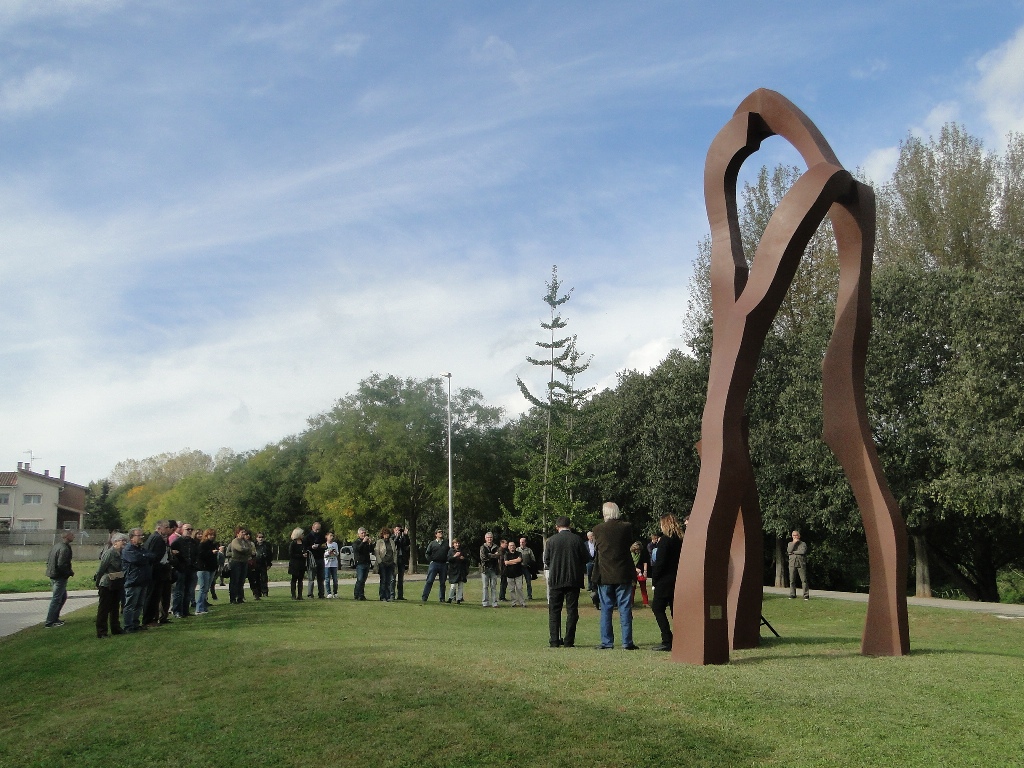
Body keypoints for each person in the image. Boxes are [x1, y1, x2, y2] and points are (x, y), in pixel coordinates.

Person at [592, 502, 638, 650]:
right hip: (623, 573)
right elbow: (628, 545)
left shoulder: (597, 529)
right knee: (625, 607)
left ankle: (607, 642)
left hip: (604, 574)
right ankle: (627, 641)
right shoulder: (626, 527)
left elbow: (597, 549)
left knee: (606, 608)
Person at [543, 516, 589, 647]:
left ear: (557, 527)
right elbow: (586, 558)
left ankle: (554, 640)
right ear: (570, 526)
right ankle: (569, 640)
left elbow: (546, 560)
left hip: (556, 579)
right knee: (572, 610)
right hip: (573, 579)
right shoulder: (577, 540)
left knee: (554, 610)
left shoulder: (551, 541)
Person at [649, 514, 684, 651]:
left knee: (657, 608)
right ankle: (682, 637)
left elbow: (660, 563)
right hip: (678, 578)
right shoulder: (681, 540)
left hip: (665, 580)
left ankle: (667, 639)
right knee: (675, 610)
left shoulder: (665, 541)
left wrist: (655, 579)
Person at [121, 527, 157, 633]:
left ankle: (135, 624)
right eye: (139, 535)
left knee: (139, 605)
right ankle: (128, 626)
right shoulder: (128, 549)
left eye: (142, 535)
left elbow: (152, 556)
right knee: (130, 605)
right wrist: (144, 557)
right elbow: (136, 559)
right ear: (132, 537)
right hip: (133, 580)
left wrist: (143, 556)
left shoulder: (141, 549)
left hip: (143, 580)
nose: (142, 537)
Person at [94, 531, 127, 638]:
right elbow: (101, 569)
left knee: (114, 607)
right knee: (104, 608)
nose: (124, 543)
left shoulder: (121, 553)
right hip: (107, 584)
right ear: (115, 542)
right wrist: (98, 583)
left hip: (116, 583)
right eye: (123, 541)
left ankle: (116, 628)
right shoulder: (109, 553)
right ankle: (102, 631)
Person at [143, 520, 174, 626]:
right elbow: (154, 556)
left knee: (156, 596)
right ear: (159, 528)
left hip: (159, 571)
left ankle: (154, 618)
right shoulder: (156, 538)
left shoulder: (158, 538)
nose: (168, 529)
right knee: (152, 596)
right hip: (156, 572)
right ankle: (149, 619)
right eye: (166, 527)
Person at [44, 530, 75, 628]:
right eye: (72, 535)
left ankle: (55, 618)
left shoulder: (57, 546)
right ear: (67, 536)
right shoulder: (64, 548)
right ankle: (50, 622)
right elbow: (61, 564)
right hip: (59, 576)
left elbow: (48, 560)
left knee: (62, 597)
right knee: (57, 598)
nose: (74, 536)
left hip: (53, 574)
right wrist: (69, 572)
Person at [170, 523, 199, 618]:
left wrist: (195, 565)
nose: (189, 531)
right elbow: (172, 555)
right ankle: (177, 611)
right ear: (182, 530)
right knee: (179, 591)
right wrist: (177, 565)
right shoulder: (177, 542)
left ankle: (185, 611)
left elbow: (197, 554)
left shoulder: (194, 542)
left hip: (191, 569)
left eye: (191, 529)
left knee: (189, 591)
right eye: (187, 529)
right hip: (181, 569)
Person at [421, 529, 449, 602]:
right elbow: (427, 553)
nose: (441, 533)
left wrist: (447, 561)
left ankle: (442, 598)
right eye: (439, 532)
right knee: (430, 580)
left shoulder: (446, 543)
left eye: (441, 532)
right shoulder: (432, 543)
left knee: (442, 582)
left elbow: (449, 553)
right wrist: (431, 560)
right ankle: (424, 597)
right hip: (434, 564)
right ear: (436, 534)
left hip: (443, 564)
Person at [196, 529, 219, 615]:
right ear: (206, 535)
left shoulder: (212, 544)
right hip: (203, 568)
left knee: (206, 589)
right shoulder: (202, 544)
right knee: (203, 589)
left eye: (213, 535)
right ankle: (199, 608)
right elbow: (200, 555)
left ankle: (204, 607)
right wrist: (211, 552)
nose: (212, 536)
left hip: (211, 568)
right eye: (210, 535)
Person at [228, 526, 254, 604]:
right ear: (237, 533)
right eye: (242, 532)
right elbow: (240, 549)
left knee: (241, 581)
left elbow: (251, 549)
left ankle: (240, 598)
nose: (244, 534)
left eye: (244, 532)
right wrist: (247, 550)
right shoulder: (235, 541)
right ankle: (233, 598)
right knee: (235, 580)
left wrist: (247, 550)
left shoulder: (246, 541)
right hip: (236, 562)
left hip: (244, 562)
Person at [304, 521, 327, 599]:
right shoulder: (308, 537)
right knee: (311, 578)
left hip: (320, 558)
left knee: (321, 578)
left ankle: (321, 594)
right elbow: (305, 548)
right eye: (316, 529)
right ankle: (310, 594)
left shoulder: (321, 536)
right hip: (311, 559)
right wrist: (311, 547)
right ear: (312, 528)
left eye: (319, 529)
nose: (318, 531)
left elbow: (325, 545)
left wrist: (321, 546)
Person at [374, 527, 397, 602]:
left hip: (390, 563)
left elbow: (394, 552)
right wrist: (380, 562)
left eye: (388, 534)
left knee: (389, 580)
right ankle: (382, 596)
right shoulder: (379, 542)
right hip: (383, 563)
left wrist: (394, 562)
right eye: (385, 534)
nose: (386, 535)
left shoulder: (392, 542)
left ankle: (388, 596)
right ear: (382, 535)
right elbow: (377, 552)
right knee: (383, 580)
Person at [479, 532, 500, 608]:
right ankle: (485, 602)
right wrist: (493, 555)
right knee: (485, 586)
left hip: (494, 569)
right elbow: (483, 558)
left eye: (490, 537)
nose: (489, 539)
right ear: (485, 538)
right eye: (488, 537)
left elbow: (499, 556)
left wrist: (489, 555)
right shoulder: (482, 547)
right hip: (485, 569)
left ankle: (494, 603)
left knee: (493, 586)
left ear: (492, 538)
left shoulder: (496, 546)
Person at [250, 532, 272, 599]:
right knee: (256, 578)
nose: (261, 539)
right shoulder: (254, 545)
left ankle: (265, 592)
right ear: (256, 538)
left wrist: (269, 564)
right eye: (259, 537)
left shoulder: (267, 545)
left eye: (262, 537)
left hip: (263, 563)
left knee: (264, 578)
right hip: (255, 563)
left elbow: (270, 555)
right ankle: (258, 592)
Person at [504, 540, 526, 607]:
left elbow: (519, 560)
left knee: (519, 588)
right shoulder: (506, 554)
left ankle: (522, 602)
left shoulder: (519, 553)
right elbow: (506, 563)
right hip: (509, 574)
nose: (512, 547)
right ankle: (513, 603)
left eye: (513, 545)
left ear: (515, 546)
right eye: (510, 546)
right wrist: (515, 561)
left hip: (518, 574)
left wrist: (510, 561)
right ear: (508, 547)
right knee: (511, 589)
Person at [788, 530, 810, 599]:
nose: (795, 537)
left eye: (796, 535)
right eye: (794, 535)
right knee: (792, 580)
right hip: (792, 563)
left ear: (799, 536)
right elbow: (789, 551)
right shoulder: (790, 544)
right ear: (792, 536)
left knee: (803, 580)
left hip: (801, 563)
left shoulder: (803, 544)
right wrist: (794, 543)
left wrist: (793, 552)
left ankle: (806, 595)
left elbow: (802, 551)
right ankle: (792, 594)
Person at [353, 527, 373, 600]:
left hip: (366, 562)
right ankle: (356, 594)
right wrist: (363, 542)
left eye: (365, 533)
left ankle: (361, 595)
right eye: (362, 533)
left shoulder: (366, 543)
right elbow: (357, 549)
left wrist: (370, 544)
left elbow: (371, 551)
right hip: (360, 563)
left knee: (363, 580)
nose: (364, 534)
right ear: (358, 534)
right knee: (360, 579)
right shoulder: (356, 542)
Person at [446, 539, 468, 603]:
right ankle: (450, 598)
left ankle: (459, 599)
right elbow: (449, 559)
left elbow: (467, 560)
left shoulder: (463, 551)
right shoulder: (451, 551)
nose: (457, 544)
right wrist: (455, 556)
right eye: (456, 543)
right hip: (453, 570)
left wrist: (463, 558)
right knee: (453, 586)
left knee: (460, 585)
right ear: (453, 544)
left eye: (458, 543)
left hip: (461, 570)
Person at [287, 528, 306, 600]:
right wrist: (301, 555)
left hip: (302, 564)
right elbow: (291, 554)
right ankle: (293, 595)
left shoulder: (303, 542)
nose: (303, 535)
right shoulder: (293, 543)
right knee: (294, 579)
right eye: (302, 534)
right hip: (294, 564)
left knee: (300, 580)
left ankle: (300, 595)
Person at [630, 541, 650, 608]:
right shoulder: (630, 554)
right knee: (632, 588)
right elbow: (629, 564)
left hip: (641, 573)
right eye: (636, 550)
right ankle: (631, 603)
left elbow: (645, 562)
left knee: (643, 588)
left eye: (638, 550)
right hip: (632, 572)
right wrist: (635, 569)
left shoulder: (643, 553)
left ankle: (645, 602)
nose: (637, 551)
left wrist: (645, 571)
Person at [392, 525, 410, 600]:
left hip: (401, 559)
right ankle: (392, 595)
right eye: (397, 530)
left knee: (400, 578)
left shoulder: (403, 538)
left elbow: (407, 543)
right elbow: (393, 544)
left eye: (400, 530)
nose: (398, 531)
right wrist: (397, 537)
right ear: (394, 530)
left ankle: (400, 595)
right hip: (394, 560)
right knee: (393, 578)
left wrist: (405, 535)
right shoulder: (392, 537)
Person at [323, 531, 340, 598]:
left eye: (332, 536)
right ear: (326, 536)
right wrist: (328, 553)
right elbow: (323, 555)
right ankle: (329, 593)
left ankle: (335, 593)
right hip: (327, 564)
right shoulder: (324, 545)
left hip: (334, 564)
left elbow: (337, 553)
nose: (331, 537)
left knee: (335, 579)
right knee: (327, 579)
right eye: (330, 536)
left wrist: (335, 552)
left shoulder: (335, 544)